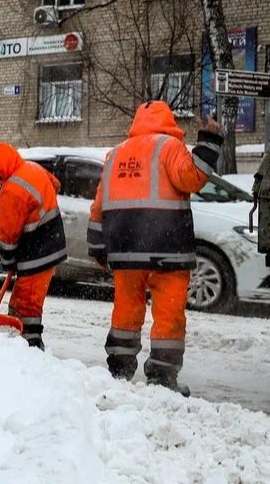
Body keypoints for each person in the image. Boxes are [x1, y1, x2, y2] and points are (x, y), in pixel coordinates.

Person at [89, 103, 222, 396]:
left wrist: (98, 246)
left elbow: (99, 205)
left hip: (124, 249)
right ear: (168, 120)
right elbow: (192, 178)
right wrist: (209, 142)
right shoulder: (169, 146)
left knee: (126, 308)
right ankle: (162, 376)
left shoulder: (116, 153)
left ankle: (119, 369)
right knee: (169, 313)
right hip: (167, 246)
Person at [0, 141, 67, 350]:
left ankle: (31, 347)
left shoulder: (12, 190)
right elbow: (55, 184)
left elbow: (9, 234)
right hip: (49, 242)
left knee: (26, 305)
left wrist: (8, 260)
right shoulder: (32, 168)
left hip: (38, 251)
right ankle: (23, 342)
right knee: (24, 300)